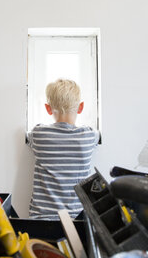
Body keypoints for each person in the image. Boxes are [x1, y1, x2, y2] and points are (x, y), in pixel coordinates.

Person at [26, 78, 100, 219]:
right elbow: (97, 135)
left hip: (41, 218)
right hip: (77, 219)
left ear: (48, 108)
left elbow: (29, 137)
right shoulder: (88, 136)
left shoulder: (39, 134)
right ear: (81, 107)